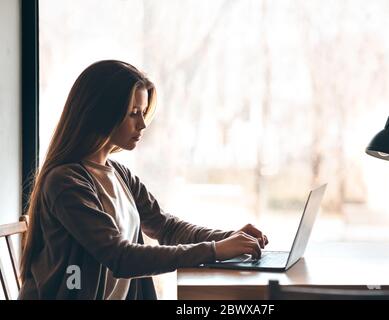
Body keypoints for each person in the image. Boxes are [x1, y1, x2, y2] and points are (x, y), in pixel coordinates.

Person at [19, 60, 268, 300]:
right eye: (133, 113)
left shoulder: (120, 175)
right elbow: (120, 257)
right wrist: (215, 251)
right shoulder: (65, 182)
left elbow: (166, 227)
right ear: (102, 113)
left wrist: (228, 239)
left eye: (143, 112)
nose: (142, 124)